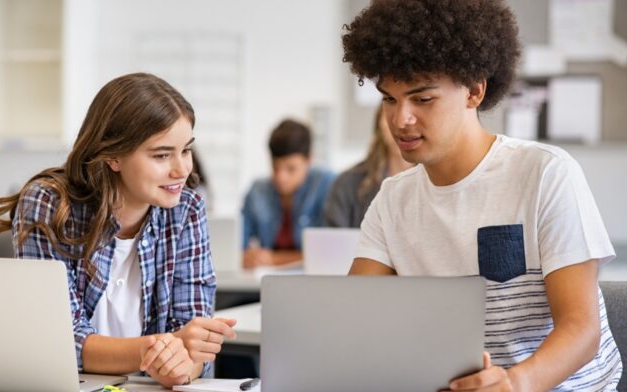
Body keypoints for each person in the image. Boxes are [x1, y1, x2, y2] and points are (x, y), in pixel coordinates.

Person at [342, 1, 622, 391]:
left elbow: (581, 331)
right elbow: (352, 319)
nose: (400, 119)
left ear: (475, 91)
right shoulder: (393, 200)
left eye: (422, 99)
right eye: (389, 98)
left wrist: (514, 384)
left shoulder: (545, 173)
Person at [0, 73, 236, 389]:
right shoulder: (49, 204)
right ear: (113, 156)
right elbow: (60, 339)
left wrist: (183, 367)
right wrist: (160, 348)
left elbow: (195, 339)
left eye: (186, 150)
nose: (182, 169)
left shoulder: (187, 210)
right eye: (162, 155)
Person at [241, 119, 334, 268]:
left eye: (291, 168)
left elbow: (329, 253)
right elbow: (237, 247)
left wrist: (273, 259)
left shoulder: (327, 184)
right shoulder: (257, 190)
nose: (281, 177)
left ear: (309, 159)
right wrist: (248, 257)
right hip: (265, 280)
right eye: (275, 167)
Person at [322, 105, 413, 228]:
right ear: (379, 124)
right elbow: (334, 242)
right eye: (392, 116)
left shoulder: (438, 182)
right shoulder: (346, 184)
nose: (401, 125)